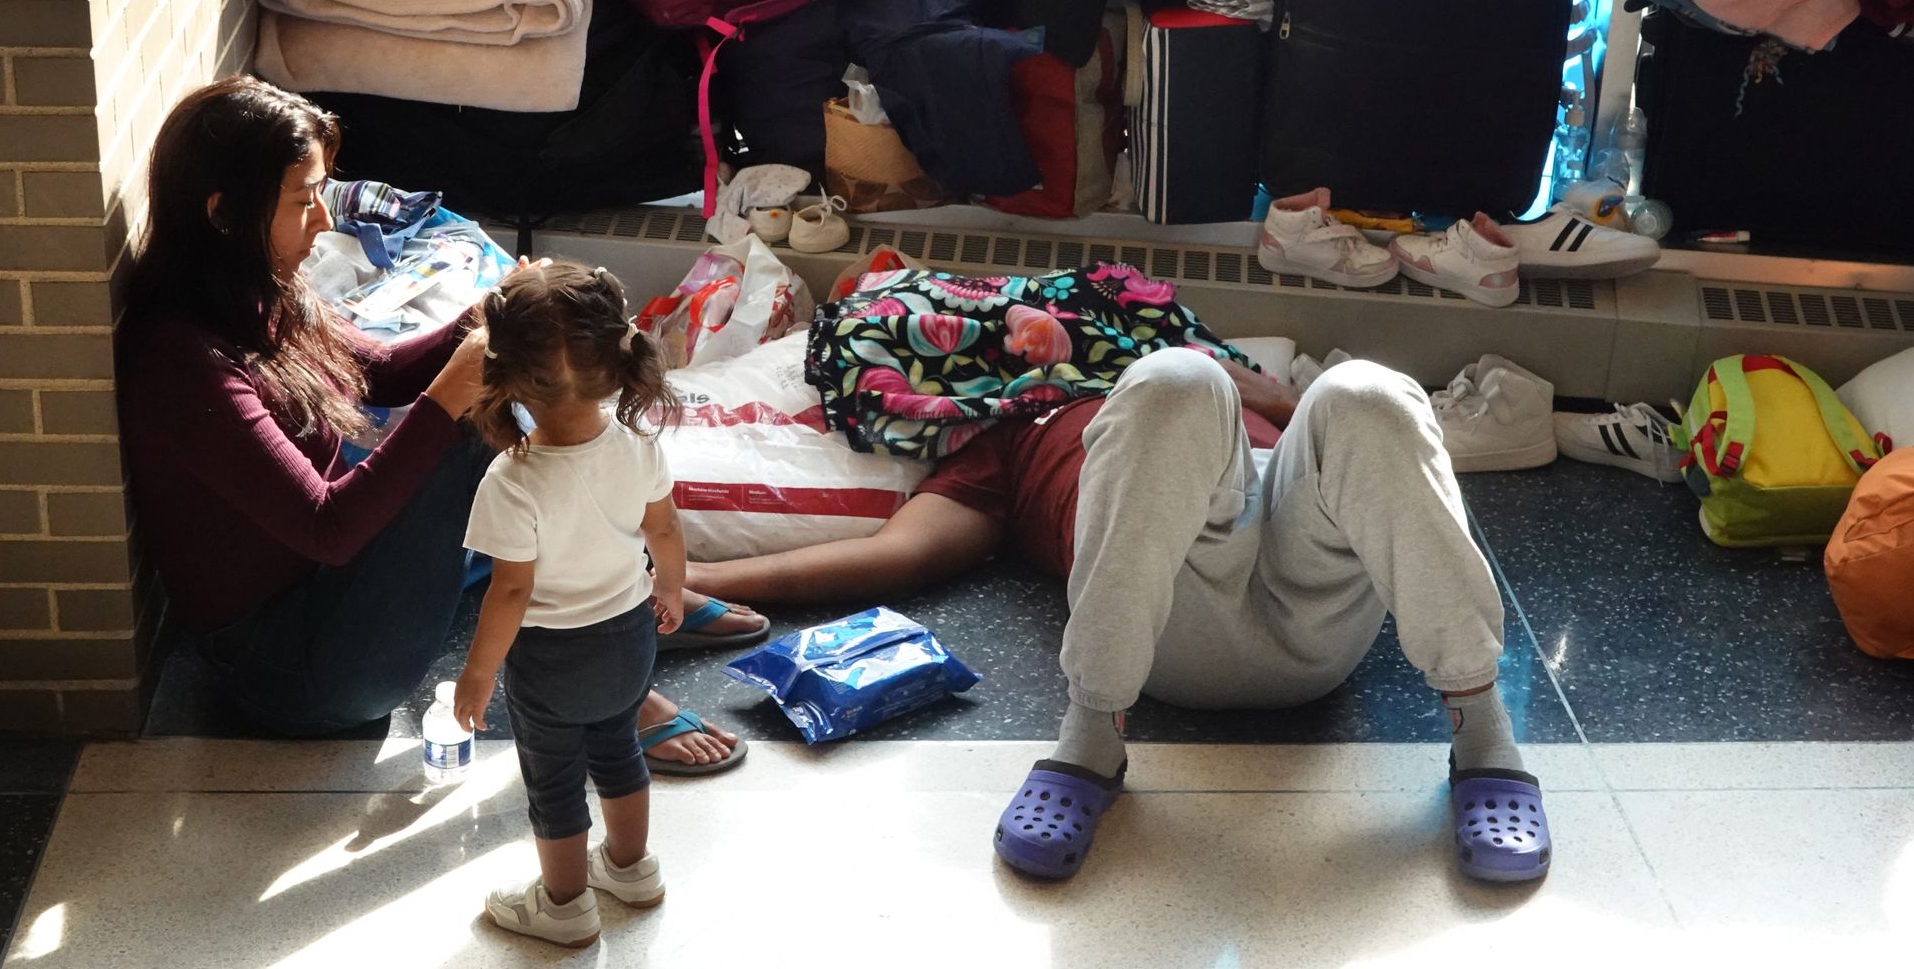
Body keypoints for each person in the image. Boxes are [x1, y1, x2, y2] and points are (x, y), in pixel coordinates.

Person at [687, 349, 1553, 883]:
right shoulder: (1013, 436)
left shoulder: (1204, 372)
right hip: (1173, 620)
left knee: (1362, 389)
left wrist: (1284, 394)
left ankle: (1482, 730)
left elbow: (1356, 445)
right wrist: (698, 574)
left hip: (1314, 590)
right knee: (1171, 382)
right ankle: (1092, 736)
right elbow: (899, 555)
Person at [117, 76, 757, 769]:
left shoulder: (255, 289)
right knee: (478, 420)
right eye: (304, 202)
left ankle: (620, 596)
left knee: (506, 376)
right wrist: (451, 396)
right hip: (294, 670)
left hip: (334, 586)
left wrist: (491, 310)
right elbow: (326, 529)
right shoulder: (182, 360)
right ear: (223, 212)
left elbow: (379, 369)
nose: (324, 223)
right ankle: (607, 665)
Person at [453, 262, 682, 948]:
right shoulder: (638, 444)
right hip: (631, 637)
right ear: (614, 361)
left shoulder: (512, 481)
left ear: (508, 375)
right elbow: (664, 529)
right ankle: (632, 868)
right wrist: (669, 587)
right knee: (619, 751)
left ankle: (564, 905)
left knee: (554, 782)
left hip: (553, 659)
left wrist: (478, 671)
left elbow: (512, 590)